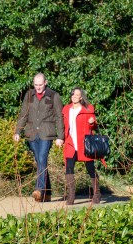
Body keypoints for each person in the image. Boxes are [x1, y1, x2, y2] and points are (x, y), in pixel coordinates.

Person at [13, 73, 64, 202]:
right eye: (36, 85)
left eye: (40, 85)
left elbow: (59, 117)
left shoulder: (54, 96)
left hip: (46, 134)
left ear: (45, 82)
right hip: (31, 133)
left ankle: (39, 189)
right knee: (41, 162)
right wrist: (18, 131)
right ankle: (47, 194)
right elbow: (23, 114)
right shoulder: (29, 95)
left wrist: (60, 136)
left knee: (42, 158)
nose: (38, 87)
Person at [61, 87, 100, 205]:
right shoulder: (66, 109)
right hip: (70, 143)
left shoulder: (88, 109)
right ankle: (71, 197)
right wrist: (60, 138)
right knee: (68, 168)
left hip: (84, 144)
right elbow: (63, 126)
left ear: (81, 97)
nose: (74, 96)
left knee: (90, 168)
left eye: (77, 95)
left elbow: (94, 127)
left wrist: (92, 123)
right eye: (73, 94)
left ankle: (97, 194)